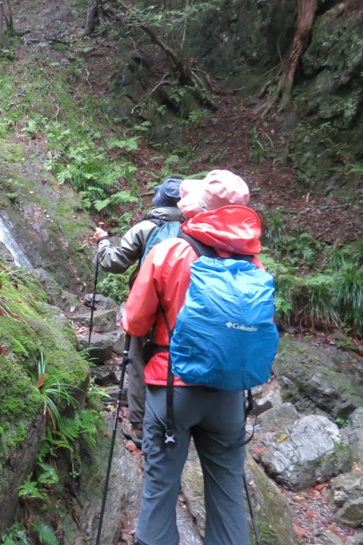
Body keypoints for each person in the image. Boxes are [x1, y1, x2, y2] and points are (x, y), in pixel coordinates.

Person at [121, 169, 258, 545]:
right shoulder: (252, 263)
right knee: (229, 491)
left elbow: (135, 321)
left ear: (195, 210)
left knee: (160, 486)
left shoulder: (171, 252)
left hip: (173, 387)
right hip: (230, 392)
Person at [91, 177, 183, 448]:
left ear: (159, 201)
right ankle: (179, 423)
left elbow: (114, 263)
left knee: (137, 362)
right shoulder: (195, 229)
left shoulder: (146, 228)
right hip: (184, 310)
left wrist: (103, 241)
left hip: (148, 306)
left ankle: (141, 426)